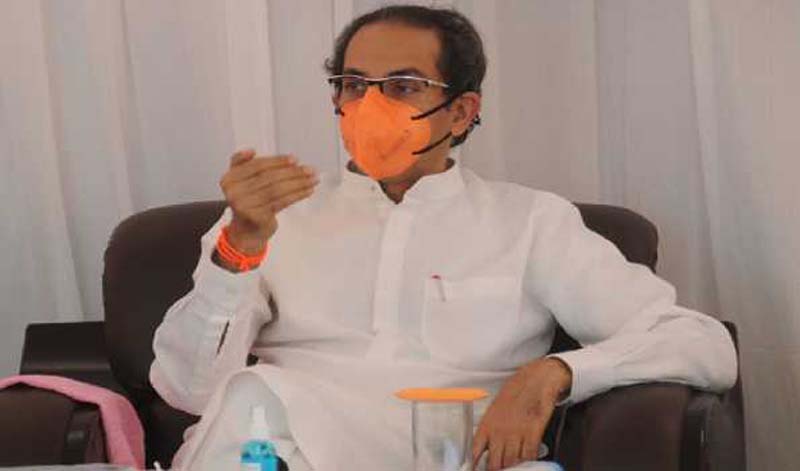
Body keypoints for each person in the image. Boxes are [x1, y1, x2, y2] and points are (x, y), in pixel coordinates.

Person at [150, 5, 737, 470]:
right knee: (251, 399)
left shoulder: (529, 221)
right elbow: (188, 390)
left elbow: (703, 345)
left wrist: (555, 374)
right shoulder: (272, 217)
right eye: (354, 84)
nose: (370, 105)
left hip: (455, 456)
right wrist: (241, 246)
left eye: (403, 85)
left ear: (460, 112)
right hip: (289, 446)